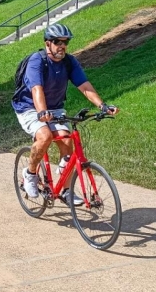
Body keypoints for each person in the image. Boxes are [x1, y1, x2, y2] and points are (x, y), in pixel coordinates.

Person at [12, 23, 119, 206]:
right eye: (57, 42)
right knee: (44, 136)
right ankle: (30, 174)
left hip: (55, 108)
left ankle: (66, 190)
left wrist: (102, 105)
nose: (62, 45)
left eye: (65, 42)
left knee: (67, 140)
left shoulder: (69, 62)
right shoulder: (37, 61)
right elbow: (36, 89)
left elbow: (84, 86)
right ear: (47, 44)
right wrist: (42, 112)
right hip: (29, 107)